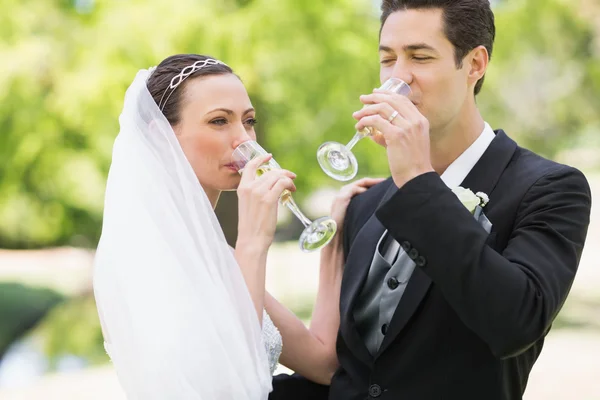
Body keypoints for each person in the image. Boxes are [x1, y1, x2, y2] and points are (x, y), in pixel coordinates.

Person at [270, 1, 592, 399]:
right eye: (387, 60)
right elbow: (348, 369)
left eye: (420, 57)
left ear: (474, 64)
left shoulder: (550, 188)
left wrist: (417, 179)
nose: (398, 79)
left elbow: (515, 325)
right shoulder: (365, 204)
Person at [93, 53, 381, 399]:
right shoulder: (140, 255)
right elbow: (230, 384)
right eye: (218, 121)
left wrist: (334, 245)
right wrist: (254, 241)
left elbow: (323, 363)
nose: (244, 139)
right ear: (160, 136)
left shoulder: (218, 253)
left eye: (249, 121)